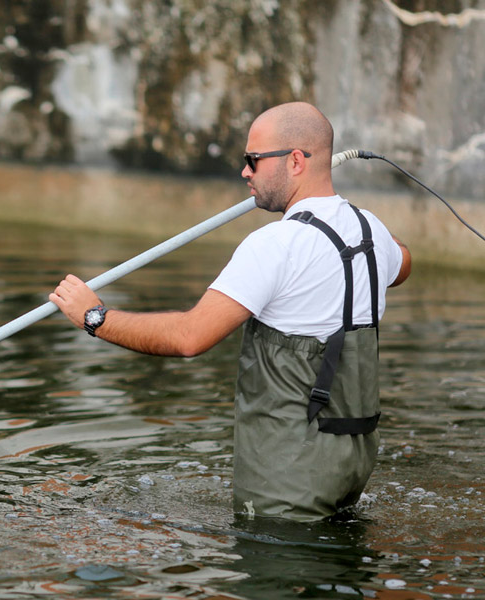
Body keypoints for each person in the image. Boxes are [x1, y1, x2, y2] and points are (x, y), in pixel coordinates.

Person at [49, 102, 412, 522]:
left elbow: (189, 338)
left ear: (296, 161)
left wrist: (94, 317)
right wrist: (356, 220)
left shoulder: (274, 245)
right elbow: (402, 264)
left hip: (287, 481)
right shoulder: (371, 232)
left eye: (253, 160)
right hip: (352, 465)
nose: (245, 172)